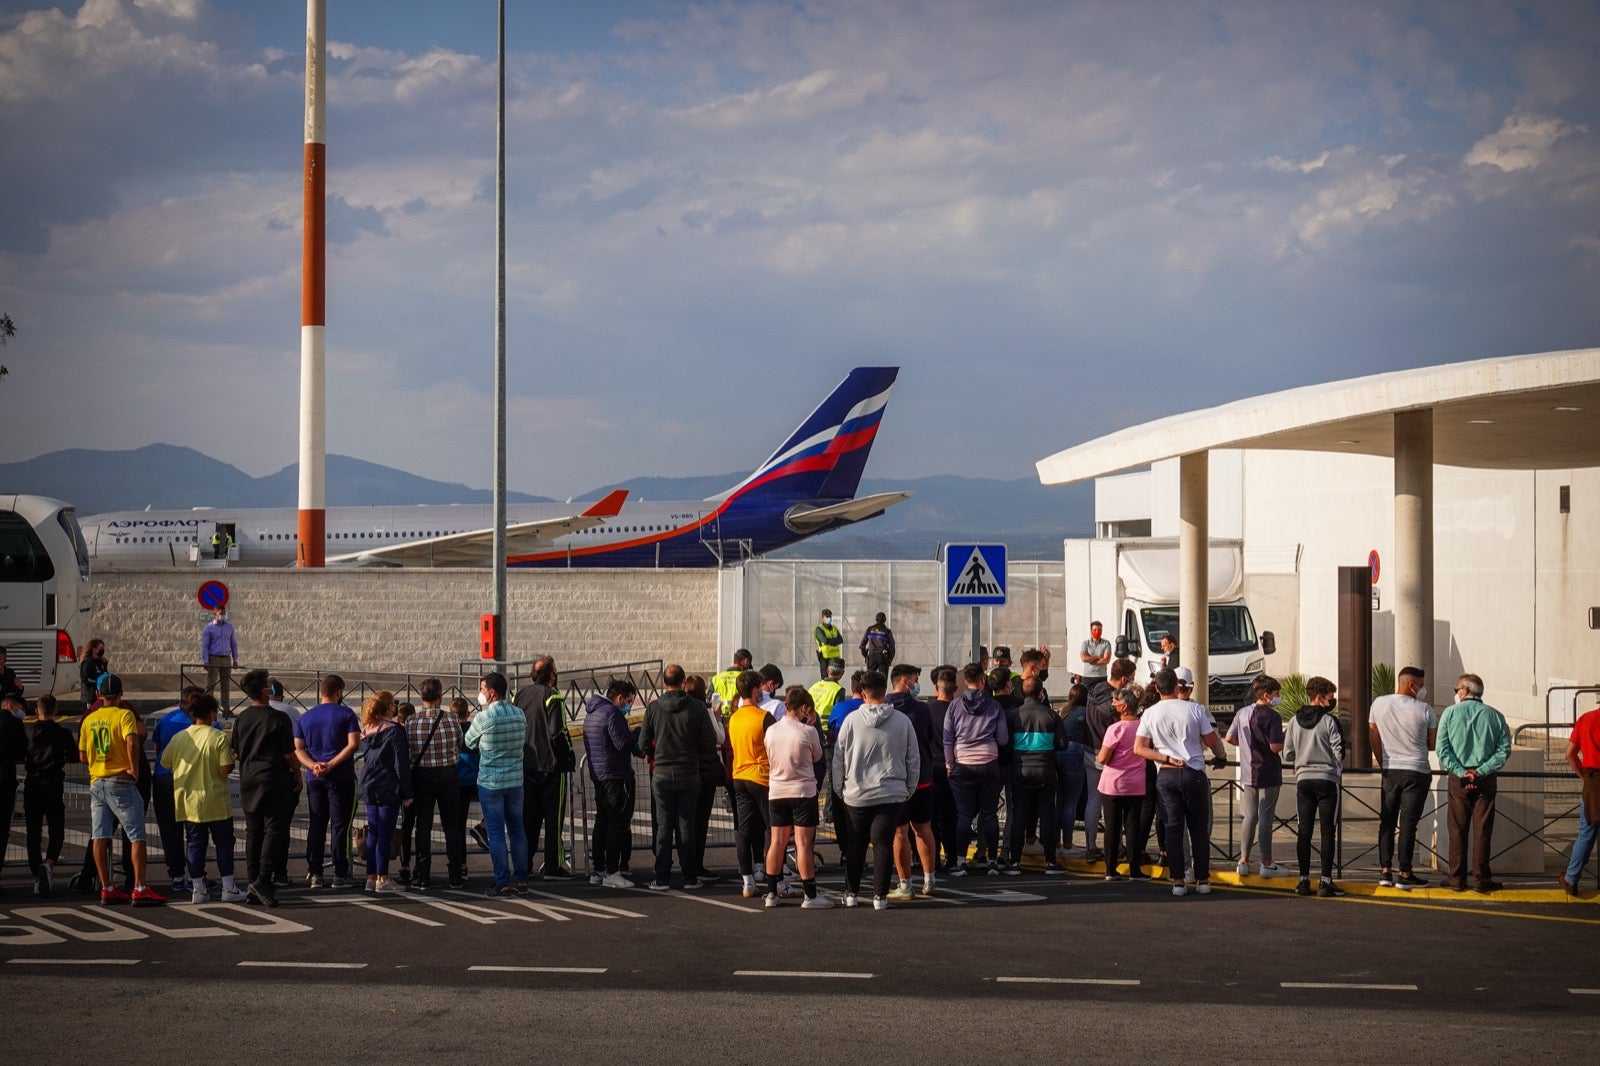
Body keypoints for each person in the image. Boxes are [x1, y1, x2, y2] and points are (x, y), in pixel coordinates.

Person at [1134, 668, 1226, 897]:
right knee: (1199, 829)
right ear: (1177, 686)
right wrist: (1221, 756)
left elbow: (1140, 748)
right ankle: (1202, 879)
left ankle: (1178, 880)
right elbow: (1211, 740)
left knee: (1173, 829)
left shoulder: (1150, 713)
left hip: (1166, 774)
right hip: (1194, 772)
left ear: (1156, 688)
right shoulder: (1195, 709)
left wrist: (1165, 757)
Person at [832, 670, 918, 909]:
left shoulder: (851, 721)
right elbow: (913, 758)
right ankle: (880, 896)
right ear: (885, 692)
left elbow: (839, 758)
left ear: (862, 694)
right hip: (892, 793)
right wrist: (908, 788)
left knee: (856, 844)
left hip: (856, 793)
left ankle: (851, 892)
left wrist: (840, 788)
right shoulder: (902, 721)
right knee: (883, 844)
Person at [78, 674, 165, 906]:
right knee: (136, 835)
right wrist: (134, 768)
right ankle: (139, 886)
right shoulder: (124, 714)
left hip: (97, 781)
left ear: (98, 695)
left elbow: (83, 756)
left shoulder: (89, 719)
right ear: (121, 694)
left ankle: (107, 887)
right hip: (120, 780)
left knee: (100, 835)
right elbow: (132, 740)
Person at [159, 693, 248, 904]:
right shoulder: (217, 736)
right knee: (224, 843)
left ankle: (198, 889)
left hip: (188, 801)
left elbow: (166, 761)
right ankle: (228, 887)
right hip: (215, 800)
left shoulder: (180, 737)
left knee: (195, 844)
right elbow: (226, 768)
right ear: (211, 713)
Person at [638, 664, 719, 890]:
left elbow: (643, 743)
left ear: (664, 683)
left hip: (662, 772)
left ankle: (662, 876)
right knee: (687, 825)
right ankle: (689, 876)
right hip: (689, 772)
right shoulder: (696, 708)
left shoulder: (653, 708)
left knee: (663, 826)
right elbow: (709, 740)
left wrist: (658, 755)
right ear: (683, 682)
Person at [1436, 673, 1511, 893]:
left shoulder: (1449, 714)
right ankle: (1481, 878)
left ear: (1465, 691)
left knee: (1457, 829)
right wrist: (1480, 772)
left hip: (1458, 780)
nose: (1456, 693)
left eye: (1456, 689)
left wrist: (1462, 772)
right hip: (1485, 780)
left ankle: (1456, 878)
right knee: (1483, 830)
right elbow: (1503, 750)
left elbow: (1442, 749)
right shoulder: (1496, 716)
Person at [232, 669, 297, 907]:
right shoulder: (279, 718)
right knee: (273, 829)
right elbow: (289, 754)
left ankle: (252, 881)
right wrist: (298, 777)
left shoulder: (242, 717)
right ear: (264, 690)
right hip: (273, 777)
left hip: (248, 778)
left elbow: (237, 751)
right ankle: (263, 880)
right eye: (268, 684)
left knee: (253, 830)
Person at [1368, 666, 1437, 889]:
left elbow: (1374, 735)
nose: (1423, 689)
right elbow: (1432, 744)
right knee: (1408, 824)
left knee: (1387, 821)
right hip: (1417, 770)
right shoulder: (1426, 710)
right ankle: (1405, 873)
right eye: (1422, 684)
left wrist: (1383, 762)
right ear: (1412, 684)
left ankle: (1385, 871)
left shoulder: (1378, 703)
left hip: (1390, 770)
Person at [763, 687, 831, 907]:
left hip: (777, 790)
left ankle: (772, 892)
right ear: (804, 708)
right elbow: (817, 756)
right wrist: (810, 725)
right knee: (803, 844)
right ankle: (810, 894)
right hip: (802, 791)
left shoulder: (771, 730)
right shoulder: (808, 732)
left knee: (777, 842)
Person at [463, 671, 529, 897]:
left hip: (490, 782)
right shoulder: (519, 714)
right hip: (515, 780)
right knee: (518, 830)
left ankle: (502, 881)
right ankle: (521, 878)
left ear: (491, 693)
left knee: (496, 833)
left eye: (482, 690)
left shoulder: (484, 718)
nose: (480, 694)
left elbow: (469, 742)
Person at [295, 674, 361, 889]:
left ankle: (315, 871)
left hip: (314, 777)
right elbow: (353, 745)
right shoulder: (347, 714)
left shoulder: (305, 717)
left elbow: (299, 748)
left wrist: (313, 765)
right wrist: (331, 764)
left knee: (317, 823)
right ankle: (340, 872)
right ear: (339, 692)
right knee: (340, 825)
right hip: (340, 775)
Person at [1283, 676, 1346, 898]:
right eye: (1330, 698)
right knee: (1328, 830)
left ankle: (1303, 880)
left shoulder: (1293, 721)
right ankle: (1325, 881)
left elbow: (1288, 753)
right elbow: (1339, 751)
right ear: (1319, 698)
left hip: (1303, 780)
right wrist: (1335, 765)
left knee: (1304, 831)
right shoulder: (1329, 721)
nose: (1332, 702)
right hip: (1327, 779)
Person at [943, 663, 1008, 877]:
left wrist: (950, 763)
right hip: (989, 763)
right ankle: (991, 861)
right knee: (989, 814)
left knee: (964, 814)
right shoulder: (994, 706)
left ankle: (961, 862)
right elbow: (1003, 738)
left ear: (964, 682)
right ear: (983, 681)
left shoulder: (954, 706)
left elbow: (948, 738)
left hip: (962, 764)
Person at [515, 656, 575, 879]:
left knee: (528, 818)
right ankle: (552, 864)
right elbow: (557, 732)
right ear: (551, 675)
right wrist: (568, 755)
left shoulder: (520, 695)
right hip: (551, 766)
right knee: (553, 819)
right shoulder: (554, 697)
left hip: (526, 764)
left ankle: (524, 864)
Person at [407, 678, 465, 891]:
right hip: (448, 774)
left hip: (422, 775)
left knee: (423, 825)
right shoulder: (451, 719)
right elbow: (459, 743)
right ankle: (455, 875)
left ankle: (423, 875)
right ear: (441, 696)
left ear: (421, 697)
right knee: (452, 825)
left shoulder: (411, 721)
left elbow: (409, 749)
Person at [886, 664, 940, 898]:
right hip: (922, 777)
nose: (918, 683)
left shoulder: (884, 708)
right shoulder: (922, 710)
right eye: (916, 679)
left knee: (899, 832)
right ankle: (929, 880)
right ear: (906, 681)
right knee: (923, 829)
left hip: (895, 779)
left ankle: (905, 884)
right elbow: (929, 737)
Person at [1226, 675, 1287, 878]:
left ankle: (1243, 860)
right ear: (1267, 695)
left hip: (1247, 771)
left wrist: (1246, 745)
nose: (1279, 698)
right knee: (1266, 817)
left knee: (1249, 816)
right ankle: (1266, 862)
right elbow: (1275, 746)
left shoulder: (1242, 713)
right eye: (1277, 694)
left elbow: (1229, 737)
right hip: (1268, 771)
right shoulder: (1272, 717)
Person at [1006, 676, 1064, 875]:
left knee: (1019, 814)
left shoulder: (1013, 716)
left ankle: (1014, 861)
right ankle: (1050, 861)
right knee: (1047, 814)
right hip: (1046, 770)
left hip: (1020, 770)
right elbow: (1062, 743)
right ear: (1041, 693)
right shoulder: (1051, 716)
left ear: (1022, 693)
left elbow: (1005, 743)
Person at [583, 679, 638, 889]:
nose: (628, 706)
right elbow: (621, 743)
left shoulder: (593, 713)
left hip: (599, 774)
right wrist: (636, 732)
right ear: (619, 698)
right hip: (615, 774)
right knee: (617, 822)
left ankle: (598, 868)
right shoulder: (611, 714)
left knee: (602, 821)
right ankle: (612, 871)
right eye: (628, 701)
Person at [728, 670, 777, 898]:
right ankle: (773, 876)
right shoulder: (764, 717)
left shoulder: (734, 717)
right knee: (773, 829)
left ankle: (747, 880)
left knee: (744, 831)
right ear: (756, 690)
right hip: (762, 776)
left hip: (740, 776)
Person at [357, 691, 413, 893]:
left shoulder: (367, 729)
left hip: (369, 783)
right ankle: (383, 877)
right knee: (385, 832)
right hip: (388, 785)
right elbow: (401, 764)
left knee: (373, 830)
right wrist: (407, 792)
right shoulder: (394, 731)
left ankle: (371, 877)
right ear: (389, 707)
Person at [150, 685, 204, 894]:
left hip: (164, 777)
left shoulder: (165, 720)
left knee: (169, 830)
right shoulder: (204, 723)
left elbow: (157, 747)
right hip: (190, 779)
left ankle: (176, 875)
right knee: (194, 829)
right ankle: (195, 875)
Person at [1083, 658, 1136, 861]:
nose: (1132, 681)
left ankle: (1090, 846)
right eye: (1131, 678)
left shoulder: (1094, 690)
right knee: (1114, 805)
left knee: (1093, 800)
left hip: (1089, 749)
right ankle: (1116, 846)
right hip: (1110, 754)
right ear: (1123, 679)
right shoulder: (1116, 702)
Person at [1095, 685, 1149, 880]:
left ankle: (1111, 869)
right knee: (1132, 826)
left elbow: (1102, 758)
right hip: (1136, 784)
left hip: (1113, 784)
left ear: (1124, 707)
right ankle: (1135, 869)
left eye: (1116, 702)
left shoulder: (1115, 729)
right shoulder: (1143, 727)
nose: (1112, 705)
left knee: (1112, 827)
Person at [24, 695, 74, 896]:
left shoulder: (29, 732)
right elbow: (72, 755)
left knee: (33, 833)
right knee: (56, 830)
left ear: (37, 711)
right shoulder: (62, 733)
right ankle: (49, 863)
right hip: (54, 784)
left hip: (32, 784)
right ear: (56, 711)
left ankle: (37, 875)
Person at [684, 672, 727, 884]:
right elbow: (719, 737)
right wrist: (718, 719)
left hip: (685, 770)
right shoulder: (705, 711)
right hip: (705, 773)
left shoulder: (681, 708)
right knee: (700, 822)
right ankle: (696, 865)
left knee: (685, 821)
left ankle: (684, 865)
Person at [1561, 699, 1600, 895]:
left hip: (1593, 781)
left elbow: (1569, 754)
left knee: (1587, 833)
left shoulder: (1586, 719)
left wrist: (1583, 774)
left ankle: (1571, 879)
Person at [924, 665, 960, 871]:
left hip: (932, 768)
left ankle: (933, 859)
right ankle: (953, 858)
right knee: (951, 816)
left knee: (932, 818)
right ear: (955, 688)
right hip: (954, 768)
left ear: (936, 687)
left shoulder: (927, 710)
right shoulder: (959, 711)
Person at [1055, 683, 1089, 858]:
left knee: (1059, 800)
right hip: (1074, 752)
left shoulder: (1064, 711)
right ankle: (1067, 844)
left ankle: (1056, 842)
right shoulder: (1085, 713)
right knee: (1071, 801)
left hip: (1058, 752)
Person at [0, 691, 28, 888]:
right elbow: (22, 751)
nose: (22, 712)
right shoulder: (14, 724)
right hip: (4, 782)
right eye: (20, 707)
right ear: (10, 706)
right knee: (2, 830)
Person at [201, 607, 239, 713]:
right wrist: (205, 661)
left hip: (226, 658)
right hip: (214, 658)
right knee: (211, 684)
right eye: (221, 613)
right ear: (215, 614)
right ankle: (208, 709)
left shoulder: (229, 627)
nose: (223, 615)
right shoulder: (209, 628)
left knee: (226, 684)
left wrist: (235, 658)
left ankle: (226, 709)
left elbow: (234, 644)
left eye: (224, 613)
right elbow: (205, 645)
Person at [711, 649, 753, 717]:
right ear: (746, 661)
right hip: (738, 716)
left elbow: (708, 699)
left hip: (719, 717)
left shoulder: (717, 678)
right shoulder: (745, 678)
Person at [808, 661, 846, 733]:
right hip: (827, 730)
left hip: (811, 727)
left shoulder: (813, 687)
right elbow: (839, 713)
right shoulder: (839, 690)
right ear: (842, 673)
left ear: (827, 671)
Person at [1078, 621, 1111, 686]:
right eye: (1095, 630)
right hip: (1088, 676)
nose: (1097, 632)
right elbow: (1084, 658)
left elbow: (1106, 660)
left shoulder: (1106, 643)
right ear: (1091, 631)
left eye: (1099, 630)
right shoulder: (1085, 643)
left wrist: (1090, 660)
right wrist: (1098, 657)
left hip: (1101, 676)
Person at [814, 610, 844, 679]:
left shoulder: (834, 628)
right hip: (824, 657)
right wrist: (835, 640)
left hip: (835, 657)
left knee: (834, 677)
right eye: (827, 617)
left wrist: (829, 641)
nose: (829, 618)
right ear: (822, 618)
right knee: (825, 677)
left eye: (830, 617)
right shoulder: (819, 629)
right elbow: (825, 640)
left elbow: (841, 640)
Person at [79, 638, 109, 704]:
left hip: (100, 696)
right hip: (90, 697)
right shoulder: (87, 663)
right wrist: (98, 683)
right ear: (94, 649)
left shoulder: (101, 662)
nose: (102, 650)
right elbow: (86, 679)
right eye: (101, 648)